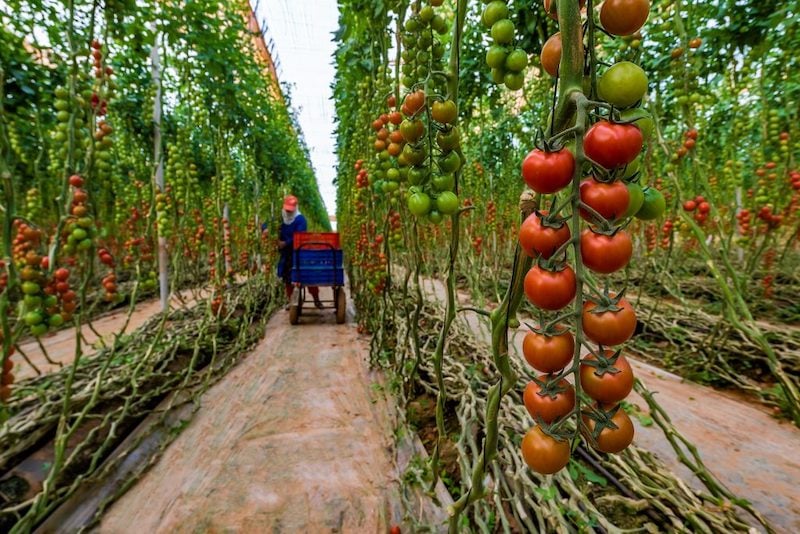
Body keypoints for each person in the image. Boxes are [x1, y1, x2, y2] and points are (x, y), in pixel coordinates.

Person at [267, 195, 323, 309]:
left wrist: (285, 243)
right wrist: (265, 229)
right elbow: (267, 224)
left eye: (290, 209)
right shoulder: (280, 217)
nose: (288, 212)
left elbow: (300, 236)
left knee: (307, 277)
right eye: (287, 209)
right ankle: (290, 300)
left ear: (295, 207)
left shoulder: (300, 219)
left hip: (299, 253)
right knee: (288, 279)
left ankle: (316, 299)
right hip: (286, 254)